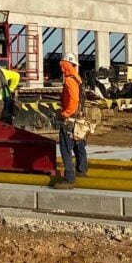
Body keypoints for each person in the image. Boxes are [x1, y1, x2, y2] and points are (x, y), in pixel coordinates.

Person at [53, 52, 89, 188]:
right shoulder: (78, 79)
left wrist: (65, 114)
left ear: (66, 65)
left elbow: (73, 100)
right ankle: (82, 170)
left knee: (66, 148)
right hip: (78, 119)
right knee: (79, 145)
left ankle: (69, 178)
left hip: (70, 120)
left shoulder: (69, 80)